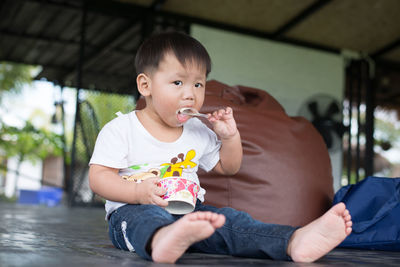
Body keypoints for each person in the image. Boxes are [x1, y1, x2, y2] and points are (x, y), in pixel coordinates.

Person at [88, 31, 352, 264]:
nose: (190, 94)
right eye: (178, 83)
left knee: (230, 221)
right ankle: (162, 239)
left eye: (198, 84)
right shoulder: (122, 128)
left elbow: (229, 167)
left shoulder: (197, 130)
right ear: (145, 85)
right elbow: (98, 179)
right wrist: (136, 193)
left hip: (189, 212)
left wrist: (229, 137)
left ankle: (293, 241)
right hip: (132, 210)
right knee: (144, 219)